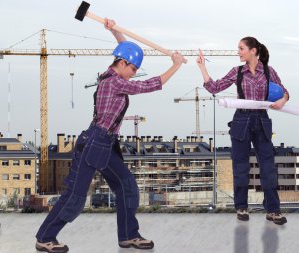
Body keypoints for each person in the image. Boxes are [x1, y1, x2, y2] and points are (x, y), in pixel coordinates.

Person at [35, 19, 185, 252]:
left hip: (106, 144)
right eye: (133, 69)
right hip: (95, 143)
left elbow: (124, 50)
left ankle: (128, 236)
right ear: (122, 63)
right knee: (75, 198)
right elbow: (150, 85)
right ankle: (45, 237)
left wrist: (115, 31)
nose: (133, 75)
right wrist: (176, 65)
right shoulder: (115, 82)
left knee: (127, 186)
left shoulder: (112, 73)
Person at [196, 37, 289, 225]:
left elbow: (285, 92)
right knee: (240, 166)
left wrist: (283, 100)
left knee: (268, 167)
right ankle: (241, 207)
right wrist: (202, 68)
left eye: (241, 48)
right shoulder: (237, 71)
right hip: (241, 120)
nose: (238, 52)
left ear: (253, 51)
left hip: (262, 120)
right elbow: (214, 88)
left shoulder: (269, 72)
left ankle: (273, 210)